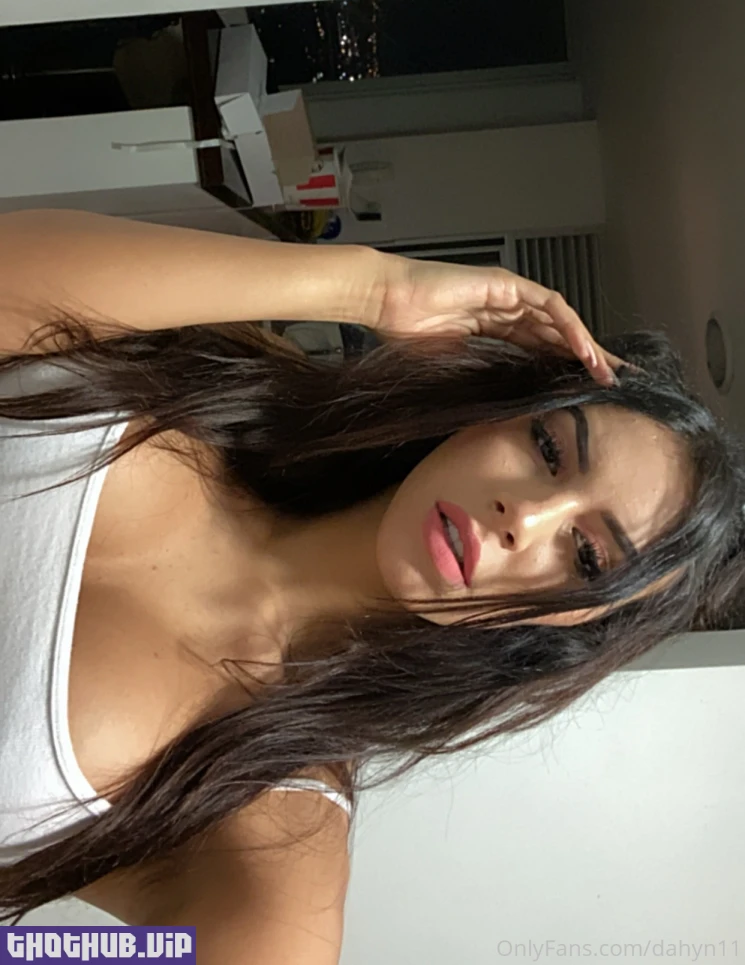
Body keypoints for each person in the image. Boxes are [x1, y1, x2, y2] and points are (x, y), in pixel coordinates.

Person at [0, 209, 742, 959]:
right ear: (495, 416)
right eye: (549, 448)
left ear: (569, 624)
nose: (525, 516)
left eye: (584, 555)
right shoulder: (215, 378)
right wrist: (375, 289)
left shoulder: (268, 819)